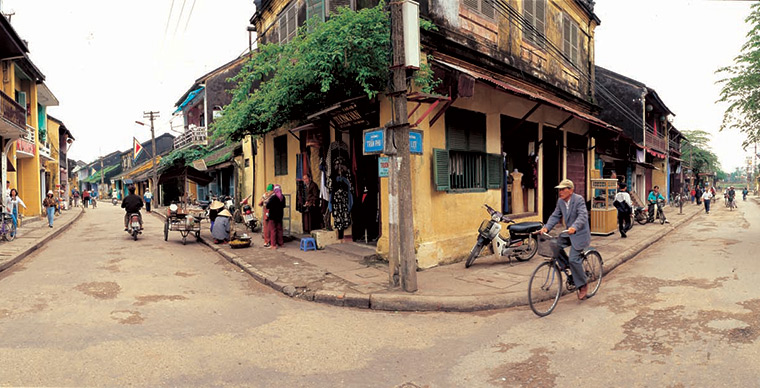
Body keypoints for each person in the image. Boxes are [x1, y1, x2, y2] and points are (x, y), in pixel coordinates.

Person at [539, 179, 591, 300]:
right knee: (553, 244)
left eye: (563, 189)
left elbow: (583, 216)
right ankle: (567, 265)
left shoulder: (579, 200)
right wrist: (546, 228)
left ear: (571, 190)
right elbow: (555, 215)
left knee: (574, 259)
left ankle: (583, 284)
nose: (560, 192)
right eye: (559, 190)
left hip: (579, 234)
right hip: (568, 234)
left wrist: (574, 227)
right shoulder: (561, 202)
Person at [266, 185, 286, 249]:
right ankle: (281, 243)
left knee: (273, 230)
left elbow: (267, 206)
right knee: (280, 230)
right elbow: (283, 206)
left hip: (272, 216)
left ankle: (273, 245)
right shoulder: (283, 197)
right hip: (280, 216)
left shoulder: (273, 198)